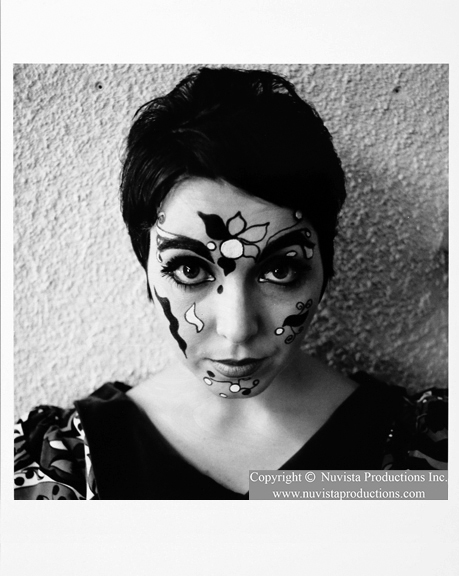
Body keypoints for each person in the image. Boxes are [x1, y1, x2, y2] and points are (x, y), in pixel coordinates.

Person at [14, 67, 447, 500]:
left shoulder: (424, 459)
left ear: (326, 267)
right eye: (189, 270)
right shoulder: (62, 470)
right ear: (145, 267)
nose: (237, 328)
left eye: (280, 271)